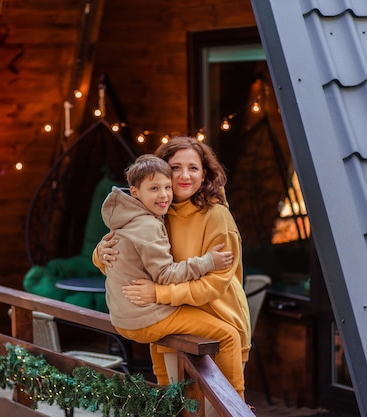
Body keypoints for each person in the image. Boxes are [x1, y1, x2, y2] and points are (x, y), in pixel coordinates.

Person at [93, 136, 251, 401]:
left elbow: (214, 284)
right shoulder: (154, 212)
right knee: (177, 407)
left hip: (217, 330)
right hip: (170, 329)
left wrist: (159, 294)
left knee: (217, 410)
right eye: (175, 167)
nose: (184, 175)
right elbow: (130, 265)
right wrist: (100, 254)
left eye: (193, 168)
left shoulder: (217, 217)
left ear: (204, 174)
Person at [101, 153, 233, 335]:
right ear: (135, 192)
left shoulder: (129, 214)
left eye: (167, 187)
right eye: (154, 188)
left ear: (204, 175)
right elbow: (164, 274)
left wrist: (100, 252)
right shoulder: (148, 223)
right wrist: (208, 261)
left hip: (126, 315)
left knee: (169, 358)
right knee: (228, 334)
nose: (163, 195)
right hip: (146, 315)